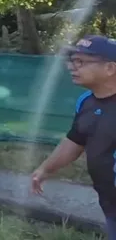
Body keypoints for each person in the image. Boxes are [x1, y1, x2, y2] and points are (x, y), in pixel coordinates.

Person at [32, 35, 116, 239]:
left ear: (110, 68)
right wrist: (45, 168)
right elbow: (75, 140)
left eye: (81, 61)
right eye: (72, 60)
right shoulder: (86, 102)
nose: (71, 66)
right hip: (109, 203)